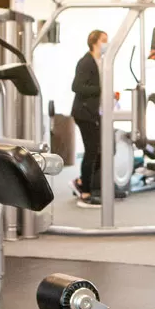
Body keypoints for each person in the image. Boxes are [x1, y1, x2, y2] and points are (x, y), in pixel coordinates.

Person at [70, 30, 108, 208]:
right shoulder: (86, 62)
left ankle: (81, 182)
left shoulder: (100, 62)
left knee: (100, 150)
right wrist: (101, 89)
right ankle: (85, 193)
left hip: (93, 112)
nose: (106, 44)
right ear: (95, 42)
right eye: (104, 41)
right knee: (92, 151)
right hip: (83, 113)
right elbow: (77, 86)